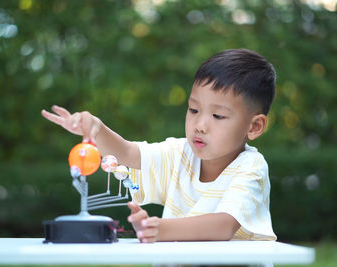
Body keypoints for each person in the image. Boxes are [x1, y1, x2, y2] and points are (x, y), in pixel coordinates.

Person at [41, 48, 277, 243]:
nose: (200, 125)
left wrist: (159, 229)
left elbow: (222, 226)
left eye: (218, 116)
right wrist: (96, 128)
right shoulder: (179, 155)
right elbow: (126, 153)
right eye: (194, 110)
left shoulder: (251, 167)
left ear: (254, 127)